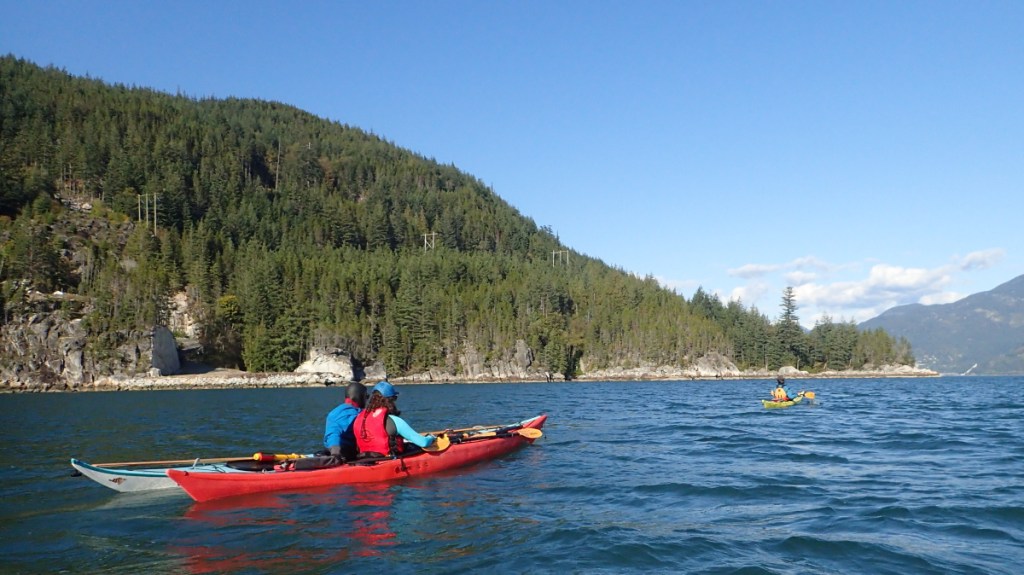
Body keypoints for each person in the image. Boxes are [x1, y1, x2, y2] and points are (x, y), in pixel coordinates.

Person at [354, 380, 437, 458]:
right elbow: (423, 442)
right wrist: (431, 438)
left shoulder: (359, 418)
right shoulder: (394, 421)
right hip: (387, 459)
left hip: (365, 458)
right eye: (395, 398)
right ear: (391, 400)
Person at [323, 381, 368, 461]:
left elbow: (332, 433)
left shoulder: (333, 413)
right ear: (360, 396)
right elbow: (334, 435)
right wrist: (336, 453)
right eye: (366, 396)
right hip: (348, 455)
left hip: (330, 451)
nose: (367, 400)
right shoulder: (358, 414)